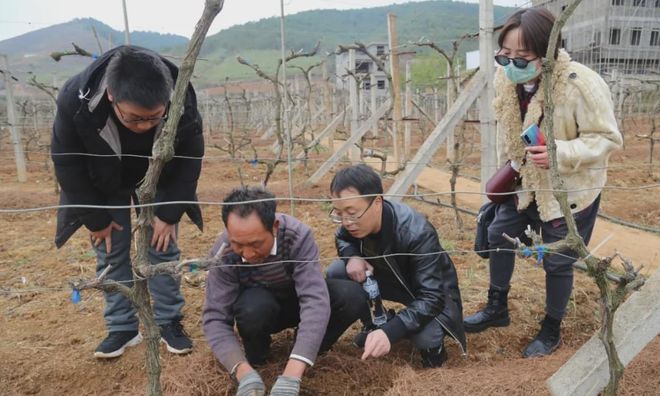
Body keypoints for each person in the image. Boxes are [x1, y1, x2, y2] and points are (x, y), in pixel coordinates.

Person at [463, 7, 622, 358]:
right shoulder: (507, 80)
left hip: (571, 190)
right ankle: (497, 307)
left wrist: (559, 152)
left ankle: (552, 329)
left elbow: (607, 139)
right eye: (506, 54)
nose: (512, 63)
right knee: (498, 233)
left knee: (558, 258)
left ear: (547, 51)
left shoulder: (580, 84)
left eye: (523, 56)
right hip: (525, 180)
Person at [51, 46, 204, 358]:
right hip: (103, 178)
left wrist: (169, 212)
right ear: (111, 95)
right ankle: (122, 327)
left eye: (154, 117)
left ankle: (168, 322)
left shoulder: (182, 97)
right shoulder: (75, 99)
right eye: (134, 118)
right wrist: (96, 219)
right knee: (110, 250)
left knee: (163, 247)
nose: (145, 126)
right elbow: (67, 164)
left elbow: (191, 157)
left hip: (162, 174)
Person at [203, 187, 363, 396]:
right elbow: (215, 317)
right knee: (254, 307)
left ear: (275, 227)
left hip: (296, 301)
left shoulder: (298, 236)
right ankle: (257, 360)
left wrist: (292, 376)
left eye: (256, 244)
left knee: (352, 296)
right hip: (259, 309)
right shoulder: (223, 252)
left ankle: (307, 349)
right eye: (238, 244)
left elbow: (314, 299)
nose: (248, 253)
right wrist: (241, 371)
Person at [325, 164, 467, 368]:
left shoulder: (417, 232)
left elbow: (432, 297)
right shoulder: (353, 222)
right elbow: (342, 237)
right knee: (338, 272)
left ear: (377, 203)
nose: (346, 221)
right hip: (389, 277)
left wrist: (390, 332)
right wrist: (351, 256)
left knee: (425, 337)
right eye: (339, 213)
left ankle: (434, 354)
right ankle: (373, 323)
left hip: (428, 293)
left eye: (351, 212)